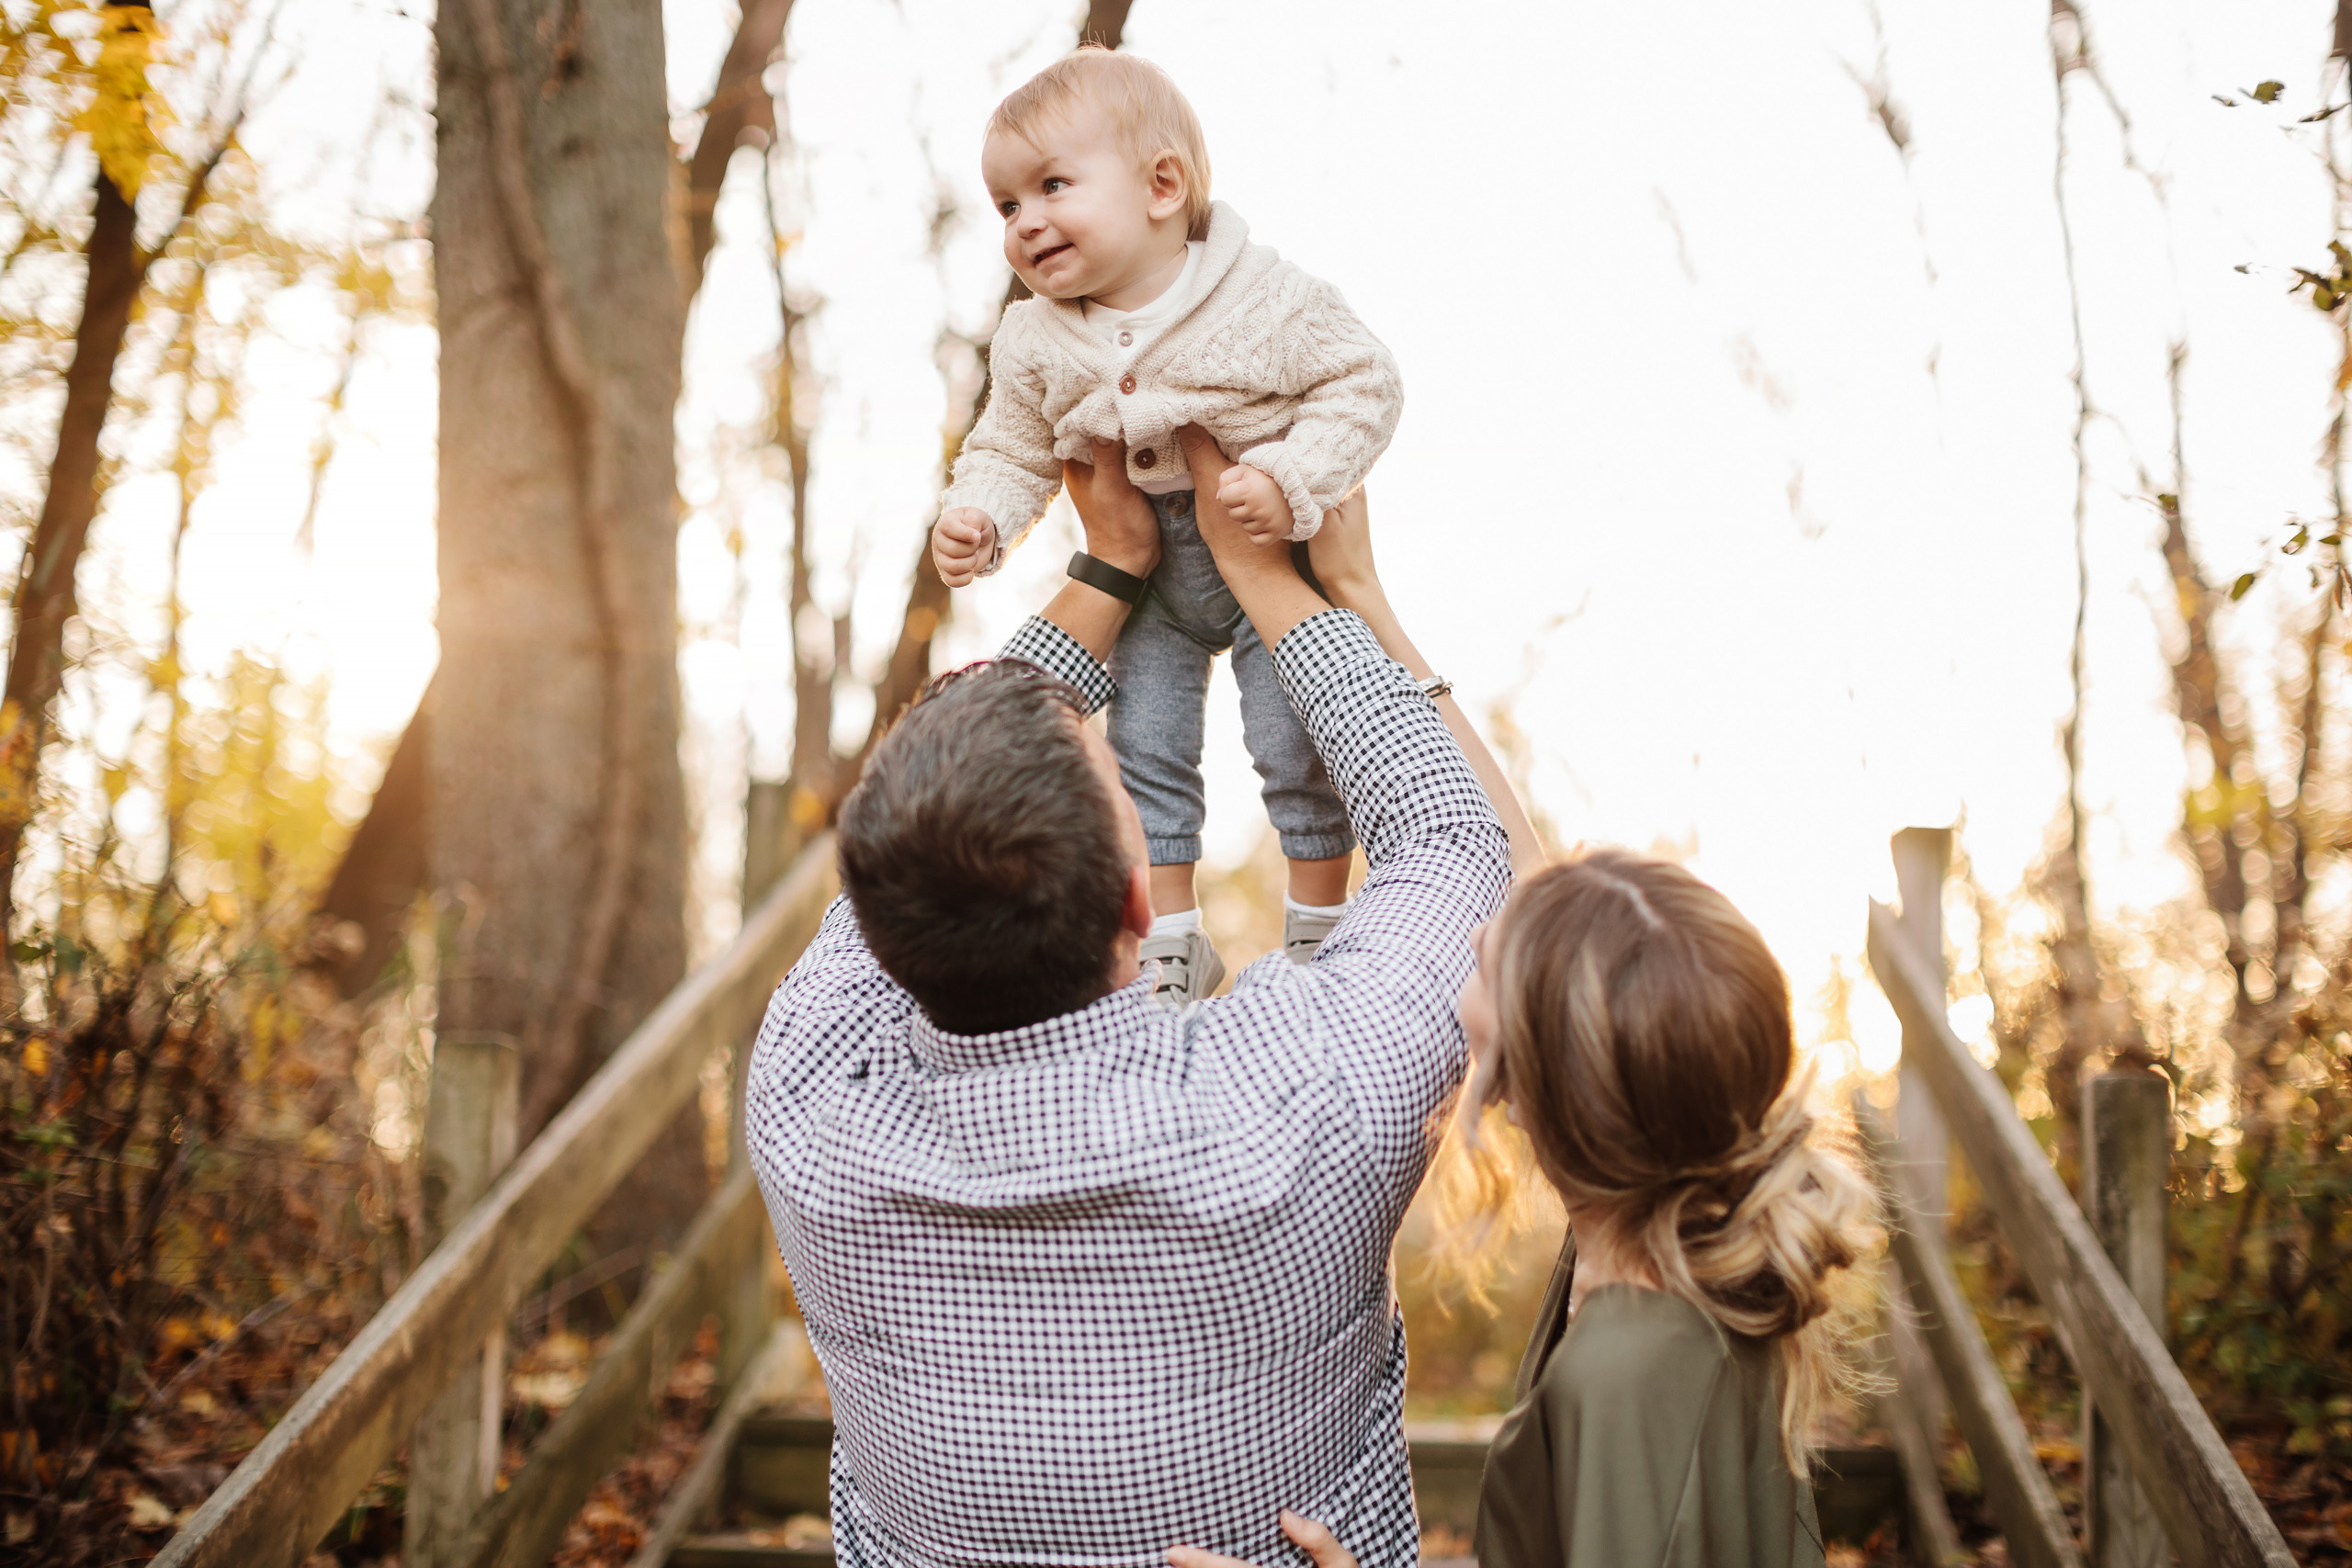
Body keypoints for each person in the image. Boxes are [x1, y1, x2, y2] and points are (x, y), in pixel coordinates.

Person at [745, 425, 1544, 1568]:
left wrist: (1111, 568)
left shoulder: (806, 1099)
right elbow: (1459, 843)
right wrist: (1277, 582)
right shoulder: (1308, 1092)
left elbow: (922, 792)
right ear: (1137, 905)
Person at [1167, 856, 1876, 1568]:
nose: (1472, 933)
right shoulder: (1685, 1244)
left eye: (1493, 954)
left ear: (1529, 1077)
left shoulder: (1619, 1387)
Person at [928, 48, 1406, 1002]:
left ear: (1161, 185)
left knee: (1294, 738)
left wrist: (1290, 477)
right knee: (1140, 748)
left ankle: (1318, 923)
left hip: (1265, 551)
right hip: (1145, 583)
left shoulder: (1262, 297)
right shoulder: (1031, 337)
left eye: (1051, 187)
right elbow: (1009, 447)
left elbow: (1365, 381)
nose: (1025, 222)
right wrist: (978, 514)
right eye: (1006, 206)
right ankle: (1173, 941)